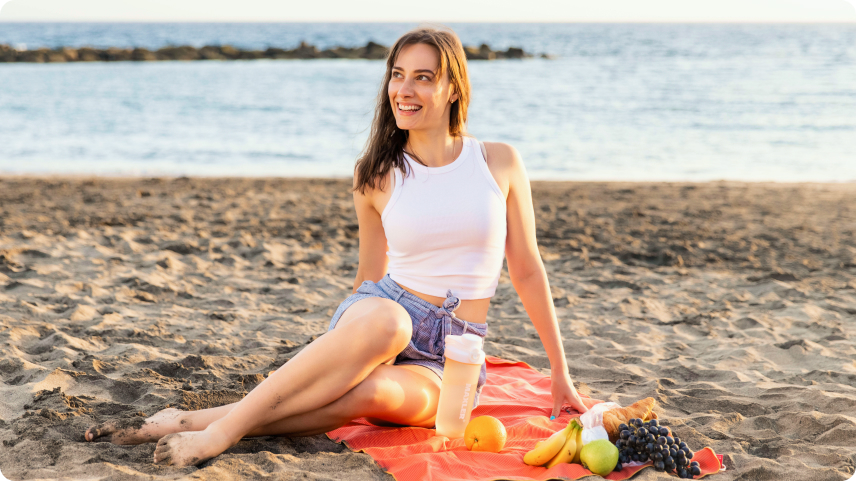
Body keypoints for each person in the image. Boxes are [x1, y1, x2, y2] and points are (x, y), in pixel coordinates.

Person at [83, 25, 588, 467]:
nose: (403, 89)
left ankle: (190, 419)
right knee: (391, 321)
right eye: (396, 74)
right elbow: (370, 279)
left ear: (454, 87)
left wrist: (560, 374)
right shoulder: (375, 175)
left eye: (422, 77)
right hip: (382, 318)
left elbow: (526, 268)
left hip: (453, 357)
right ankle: (218, 436)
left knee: (362, 395)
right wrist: (343, 347)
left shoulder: (499, 162)